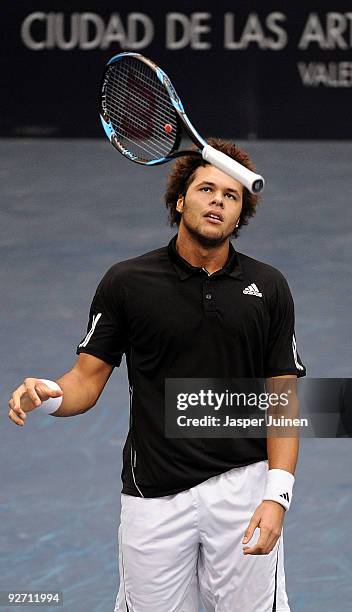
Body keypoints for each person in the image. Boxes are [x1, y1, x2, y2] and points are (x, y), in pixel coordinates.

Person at [8, 138, 306, 612]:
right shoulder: (127, 283)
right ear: (181, 199)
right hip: (153, 495)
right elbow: (86, 380)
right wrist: (49, 393)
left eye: (231, 196)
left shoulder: (269, 287)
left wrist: (278, 497)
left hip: (243, 490)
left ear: (240, 214)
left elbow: (282, 399)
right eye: (207, 189)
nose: (218, 202)